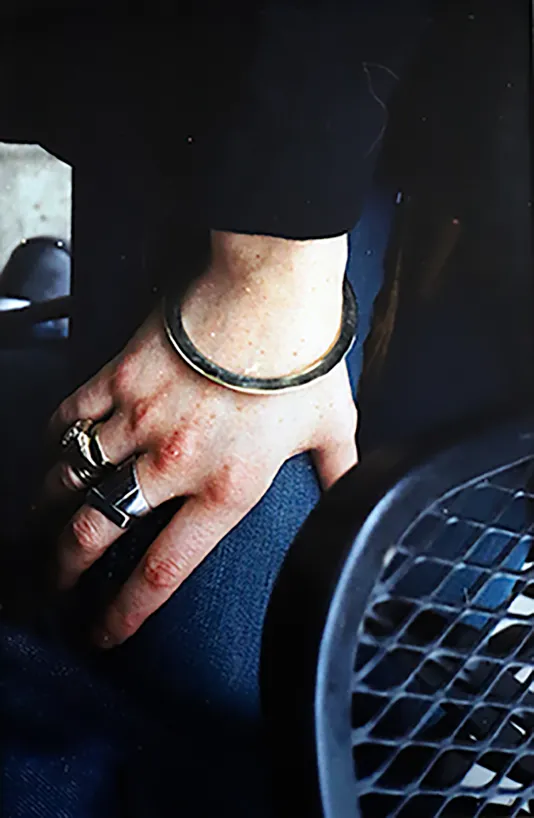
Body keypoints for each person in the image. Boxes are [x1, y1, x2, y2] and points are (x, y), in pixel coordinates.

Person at [0, 2, 434, 816]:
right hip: (276, 100)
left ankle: (41, 310)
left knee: (407, 647)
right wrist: (273, 253)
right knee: (218, 643)